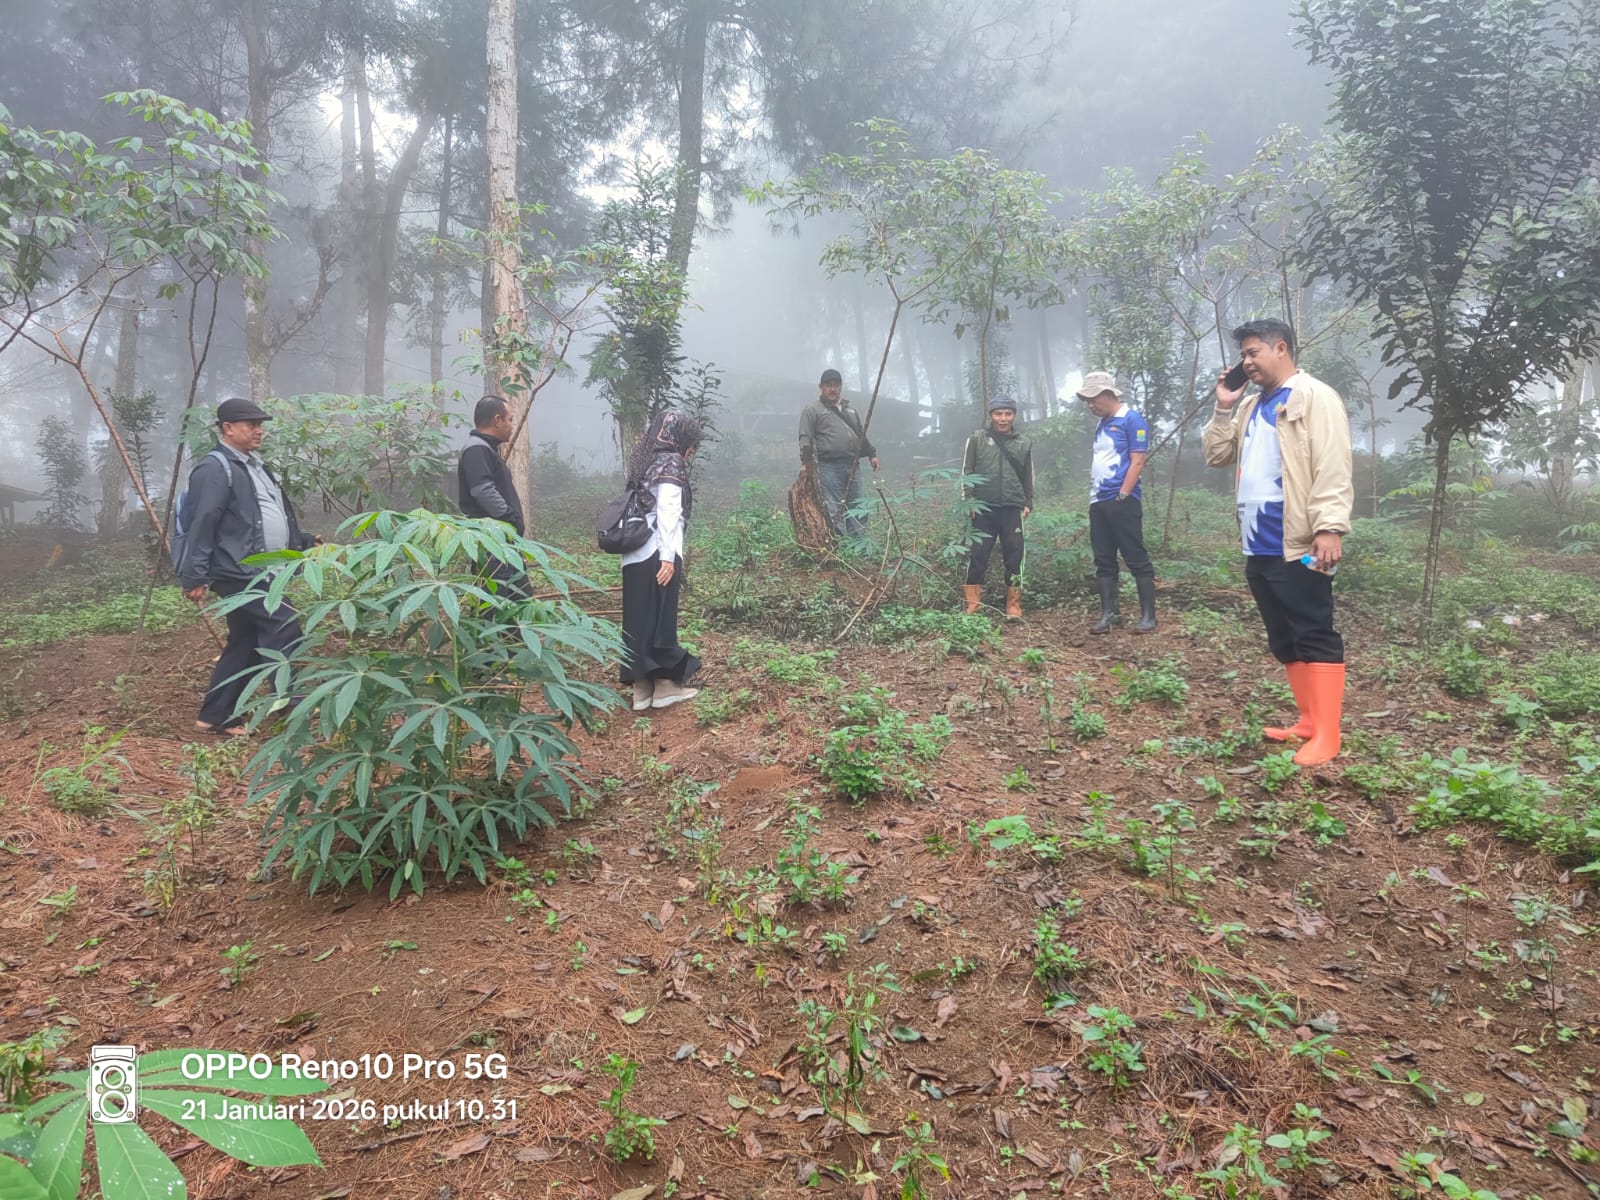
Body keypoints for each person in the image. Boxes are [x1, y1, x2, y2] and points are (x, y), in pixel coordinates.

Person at [1202, 318, 1353, 766]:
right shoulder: (1251, 405)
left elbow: (1332, 464)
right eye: (1243, 356)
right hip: (1259, 540)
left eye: (1253, 353)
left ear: (1281, 348)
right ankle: (1308, 721)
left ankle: (1328, 734)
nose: (1246, 362)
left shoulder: (1314, 396)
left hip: (1300, 540)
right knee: (1284, 636)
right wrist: (1224, 408)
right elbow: (1217, 455)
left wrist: (1329, 527)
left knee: (1313, 630)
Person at [178, 397, 318, 736]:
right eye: (251, 425)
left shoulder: (254, 465)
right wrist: (194, 575)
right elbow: (203, 522)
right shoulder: (214, 469)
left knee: (247, 641)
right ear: (227, 428)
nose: (259, 431)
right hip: (238, 570)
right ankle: (291, 703)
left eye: (260, 425)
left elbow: (261, 517)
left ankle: (215, 716)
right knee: (284, 623)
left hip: (261, 568)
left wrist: (301, 541)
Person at [621, 411, 705, 711]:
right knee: (660, 618)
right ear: (681, 437)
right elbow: (669, 508)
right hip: (658, 550)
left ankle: (642, 690)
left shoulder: (643, 460)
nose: (690, 451)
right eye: (691, 444)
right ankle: (666, 687)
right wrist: (668, 558)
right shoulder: (671, 461)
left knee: (637, 620)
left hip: (634, 554)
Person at [1081, 371, 1157, 634]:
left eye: (1094, 398)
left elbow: (1138, 461)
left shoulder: (1132, 420)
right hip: (1099, 500)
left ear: (1109, 394)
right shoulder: (1102, 423)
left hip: (1122, 500)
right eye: (1087, 400)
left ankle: (1149, 616)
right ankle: (1109, 614)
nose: (1090, 405)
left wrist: (1123, 494)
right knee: (1103, 558)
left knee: (1135, 556)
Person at [961, 395, 1034, 620]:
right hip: (983, 507)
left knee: (1015, 555)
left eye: (1008, 414)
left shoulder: (1023, 443)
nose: (1003, 418)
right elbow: (967, 470)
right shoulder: (977, 439)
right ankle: (972, 605)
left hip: (1012, 507)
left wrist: (1028, 501)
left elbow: (1028, 474)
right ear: (991, 415)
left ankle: (1013, 605)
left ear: (1014, 416)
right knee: (978, 555)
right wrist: (969, 500)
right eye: (998, 414)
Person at [457, 394, 527, 598]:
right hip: (492, 542)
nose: (512, 425)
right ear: (497, 420)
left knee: (517, 598)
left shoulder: (485, 448)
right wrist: (509, 517)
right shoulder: (477, 448)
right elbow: (482, 490)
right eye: (510, 419)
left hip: (501, 541)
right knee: (496, 602)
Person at [799, 367, 879, 536]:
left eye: (836, 385)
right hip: (829, 467)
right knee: (833, 507)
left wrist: (872, 454)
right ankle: (839, 544)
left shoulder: (850, 410)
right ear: (821, 387)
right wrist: (806, 463)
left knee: (857, 505)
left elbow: (860, 434)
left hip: (853, 465)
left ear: (840, 387)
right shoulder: (812, 410)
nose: (833, 389)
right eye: (828, 385)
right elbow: (805, 437)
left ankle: (858, 544)